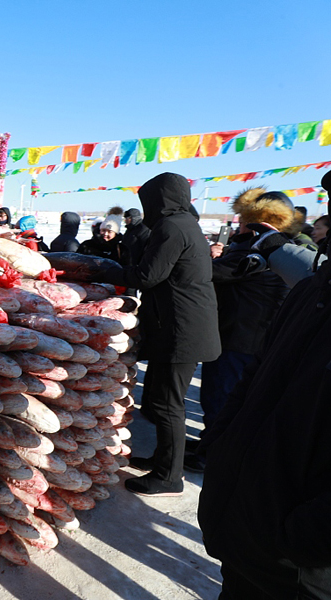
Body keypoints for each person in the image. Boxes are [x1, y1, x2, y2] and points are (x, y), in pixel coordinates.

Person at [197, 180, 331, 598]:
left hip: (299, 563)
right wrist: (221, 446)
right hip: (246, 530)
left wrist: (299, 540)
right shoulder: (314, 288)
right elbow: (258, 376)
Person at [92, 172, 220, 496]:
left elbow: (149, 275)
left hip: (181, 330)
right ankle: (165, 462)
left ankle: (169, 477)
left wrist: (107, 269)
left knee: (168, 405)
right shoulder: (186, 223)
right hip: (185, 326)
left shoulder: (171, 227)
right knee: (165, 402)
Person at [187, 187, 294, 473]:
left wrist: (207, 258)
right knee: (220, 397)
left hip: (240, 337)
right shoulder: (275, 247)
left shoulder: (259, 248)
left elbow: (215, 274)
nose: (239, 223)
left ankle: (212, 453)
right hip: (245, 334)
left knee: (221, 397)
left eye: (244, 219)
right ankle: (208, 442)